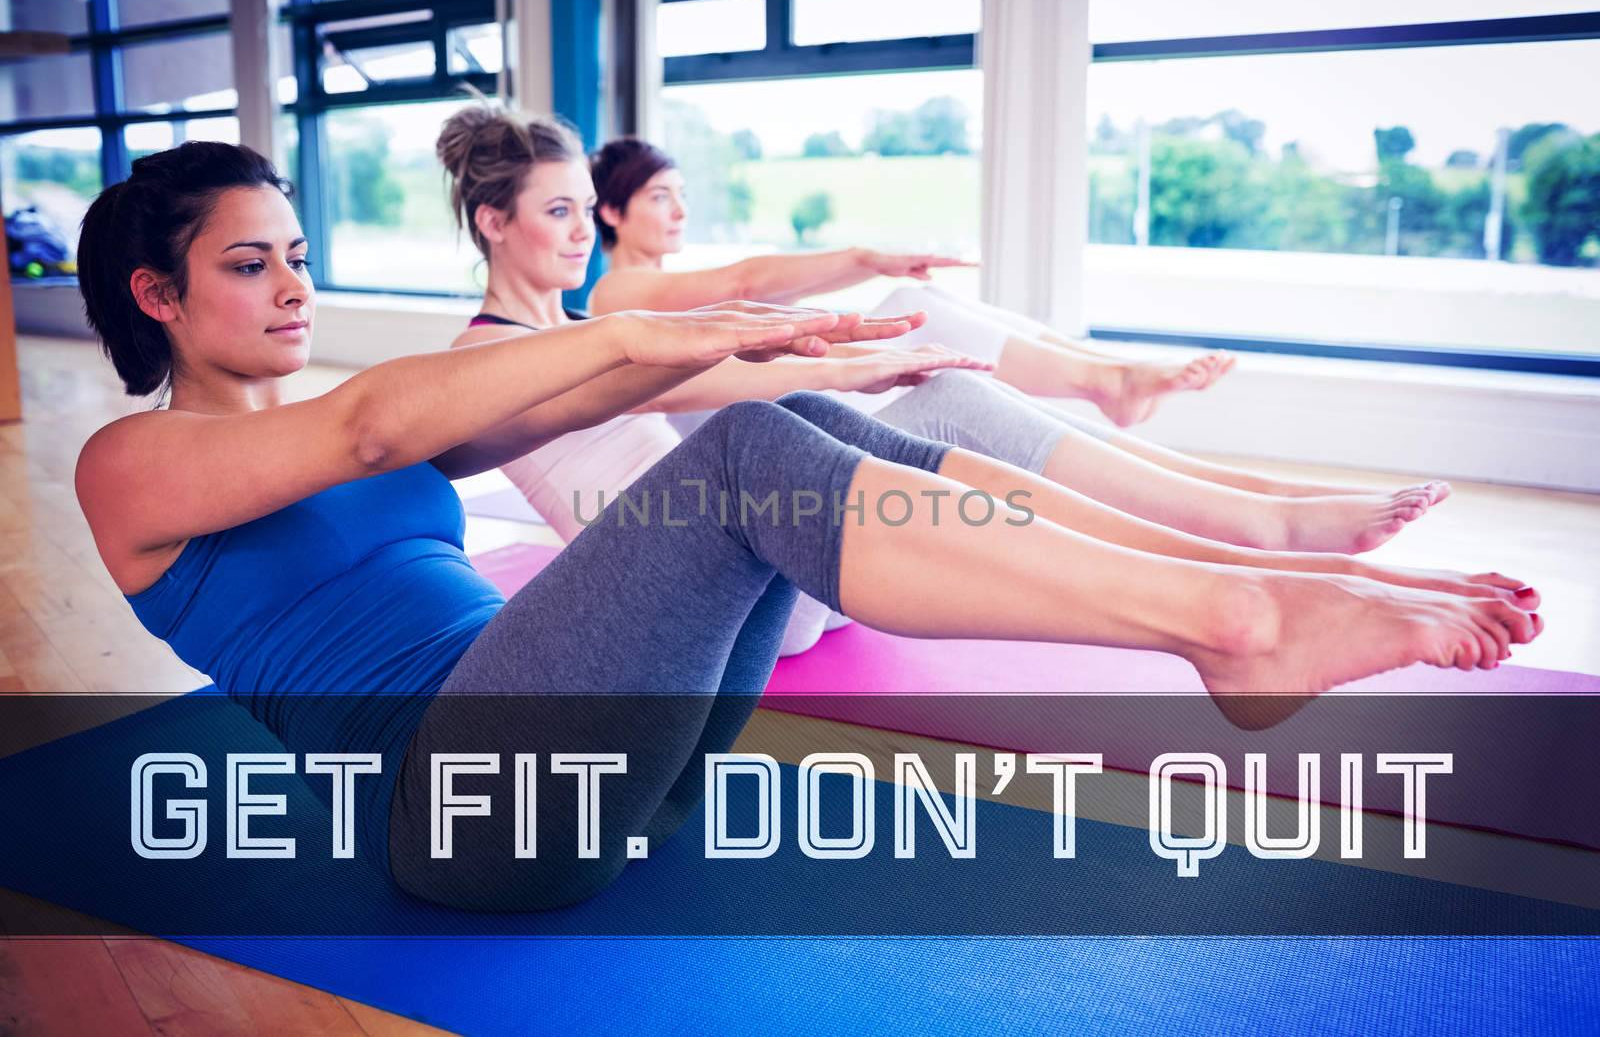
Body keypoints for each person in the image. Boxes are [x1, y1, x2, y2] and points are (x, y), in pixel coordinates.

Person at [75, 140, 1538, 912]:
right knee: (740, 461)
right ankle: (1240, 622)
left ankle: (1251, 578)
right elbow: (379, 424)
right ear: (158, 295)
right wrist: (698, 329)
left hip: (596, 761)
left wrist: (821, 348)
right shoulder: (131, 466)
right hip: (462, 811)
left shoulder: (346, 410)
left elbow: (591, 382)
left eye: (302, 256)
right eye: (251, 263)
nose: (293, 286)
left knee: (784, 428)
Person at [444, 106, 1465, 656]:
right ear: (494, 222)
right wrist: (856, 358)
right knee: (895, 393)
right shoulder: (491, 356)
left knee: (959, 397)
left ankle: (1266, 529)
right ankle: (1263, 543)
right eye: (559, 215)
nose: (583, 236)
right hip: (723, 602)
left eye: (588, 211)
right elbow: (676, 389)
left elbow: (721, 346)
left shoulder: (594, 319)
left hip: (764, 555)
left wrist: (865, 331)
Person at [586, 136, 1448, 506]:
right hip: (764, 438)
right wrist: (867, 259)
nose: (678, 211)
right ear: (612, 214)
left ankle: (1107, 372)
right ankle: (1111, 380)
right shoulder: (616, 300)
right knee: (914, 313)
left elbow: (753, 281)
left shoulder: (670, 286)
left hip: (789, 414)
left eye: (683, 195)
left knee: (940, 313)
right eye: (660, 198)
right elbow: (751, 275)